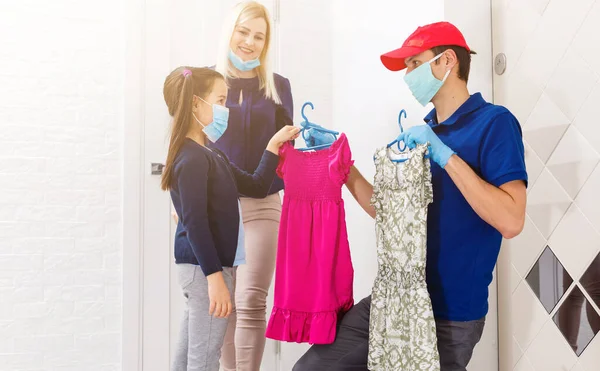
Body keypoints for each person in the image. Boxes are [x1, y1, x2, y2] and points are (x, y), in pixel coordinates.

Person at [293, 21, 528, 371]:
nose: (407, 74)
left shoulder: (494, 123)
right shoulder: (425, 131)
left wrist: (446, 156)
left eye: (414, 63)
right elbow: (388, 213)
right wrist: (341, 165)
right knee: (311, 368)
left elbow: (511, 220)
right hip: (393, 300)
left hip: (450, 315)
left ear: (447, 61)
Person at [161, 66, 298, 371]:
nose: (226, 110)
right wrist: (215, 279)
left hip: (202, 269)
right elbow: (195, 223)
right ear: (196, 103)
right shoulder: (193, 157)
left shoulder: (210, 153)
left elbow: (255, 184)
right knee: (204, 359)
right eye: (221, 101)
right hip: (205, 270)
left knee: (187, 357)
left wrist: (273, 145)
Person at [209, 2, 295, 369]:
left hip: (263, 206)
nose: (249, 42)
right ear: (230, 31)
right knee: (223, 305)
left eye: (259, 36)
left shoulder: (278, 87)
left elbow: (289, 151)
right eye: (244, 31)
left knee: (251, 301)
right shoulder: (205, 82)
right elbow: (188, 143)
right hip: (217, 208)